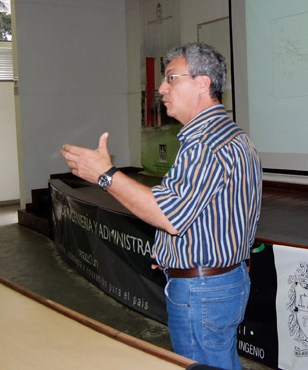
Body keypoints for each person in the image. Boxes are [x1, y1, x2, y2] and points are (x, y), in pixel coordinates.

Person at [61, 43, 262, 370]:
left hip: (202, 291)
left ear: (202, 84)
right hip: (220, 282)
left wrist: (106, 175)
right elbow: (210, 214)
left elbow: (168, 214)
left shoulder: (206, 143)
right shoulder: (232, 135)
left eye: (171, 78)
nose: (160, 89)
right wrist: (173, 251)